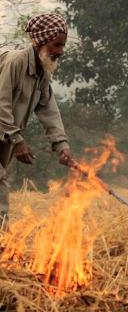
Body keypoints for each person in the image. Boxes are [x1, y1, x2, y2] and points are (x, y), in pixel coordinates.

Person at [0, 12, 74, 229]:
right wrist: (17, 139)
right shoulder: (14, 62)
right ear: (40, 41)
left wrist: (61, 144)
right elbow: (1, 103)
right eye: (56, 45)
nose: (60, 52)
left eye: (62, 45)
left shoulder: (43, 70)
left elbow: (48, 108)